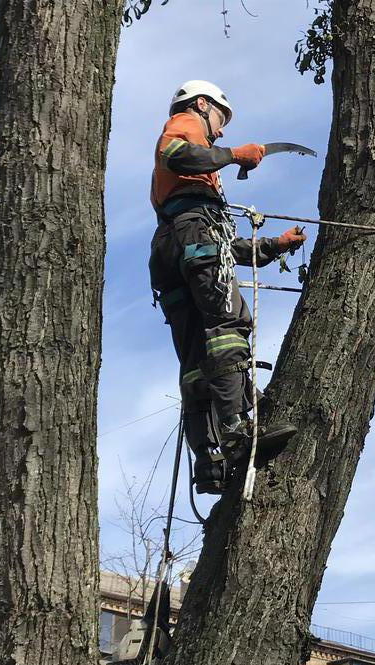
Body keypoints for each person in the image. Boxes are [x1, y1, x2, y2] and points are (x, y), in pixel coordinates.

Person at [149, 80, 305, 494]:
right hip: (191, 238)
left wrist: (275, 245)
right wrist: (233, 155)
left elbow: (216, 246)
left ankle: (210, 460)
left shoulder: (186, 204)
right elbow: (176, 152)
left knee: (197, 359)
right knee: (228, 327)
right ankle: (237, 431)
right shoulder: (186, 123)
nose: (220, 131)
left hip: (174, 248)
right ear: (203, 104)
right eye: (221, 118)